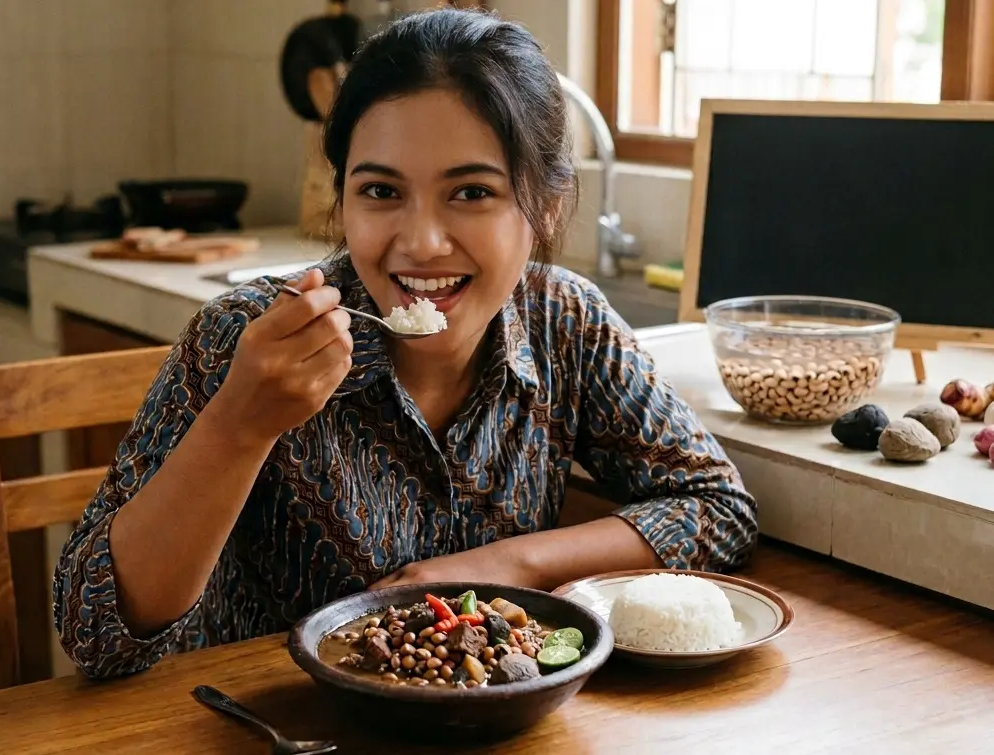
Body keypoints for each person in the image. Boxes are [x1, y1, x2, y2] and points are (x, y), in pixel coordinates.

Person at [53, 7, 758, 680]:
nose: (420, 243)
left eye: (472, 193)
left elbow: (714, 507)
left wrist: (505, 564)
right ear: (342, 199)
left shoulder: (566, 323)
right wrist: (241, 422)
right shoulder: (247, 335)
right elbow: (95, 635)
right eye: (382, 192)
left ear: (543, 204)